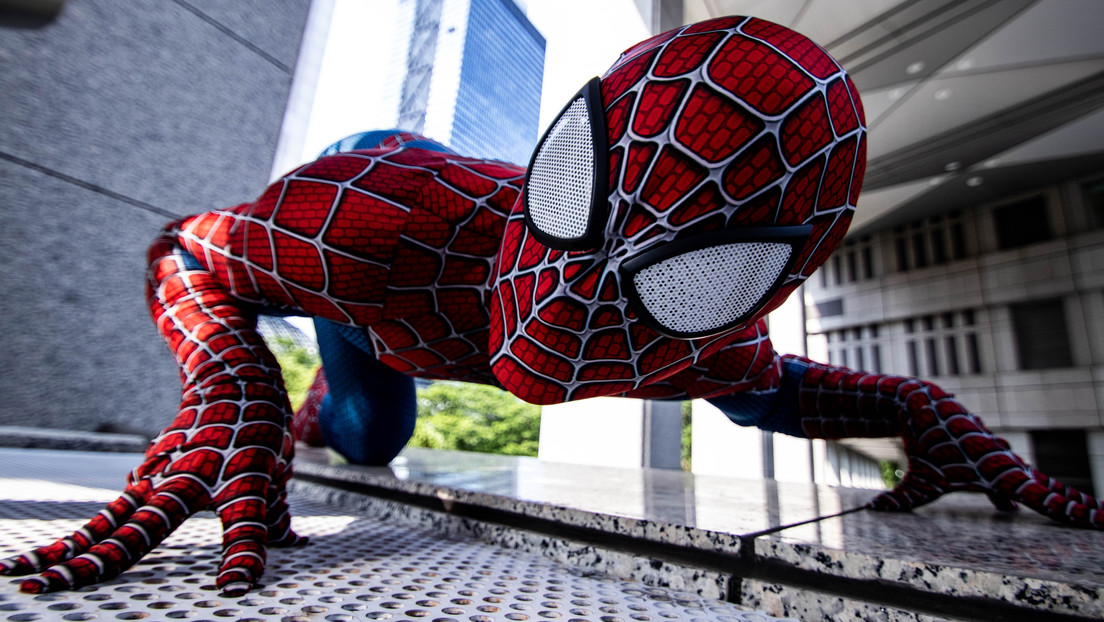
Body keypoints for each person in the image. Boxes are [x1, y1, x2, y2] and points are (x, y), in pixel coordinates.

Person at [3, 15, 1100, 597]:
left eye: (695, 277)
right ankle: (302, 412)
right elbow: (184, 250)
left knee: (370, 438)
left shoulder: (711, 346)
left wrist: (943, 429)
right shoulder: (368, 226)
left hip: (431, 281)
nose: (577, 300)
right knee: (373, 436)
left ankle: (311, 418)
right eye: (577, 188)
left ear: (750, 287)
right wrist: (231, 385)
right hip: (399, 221)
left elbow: (824, 396)